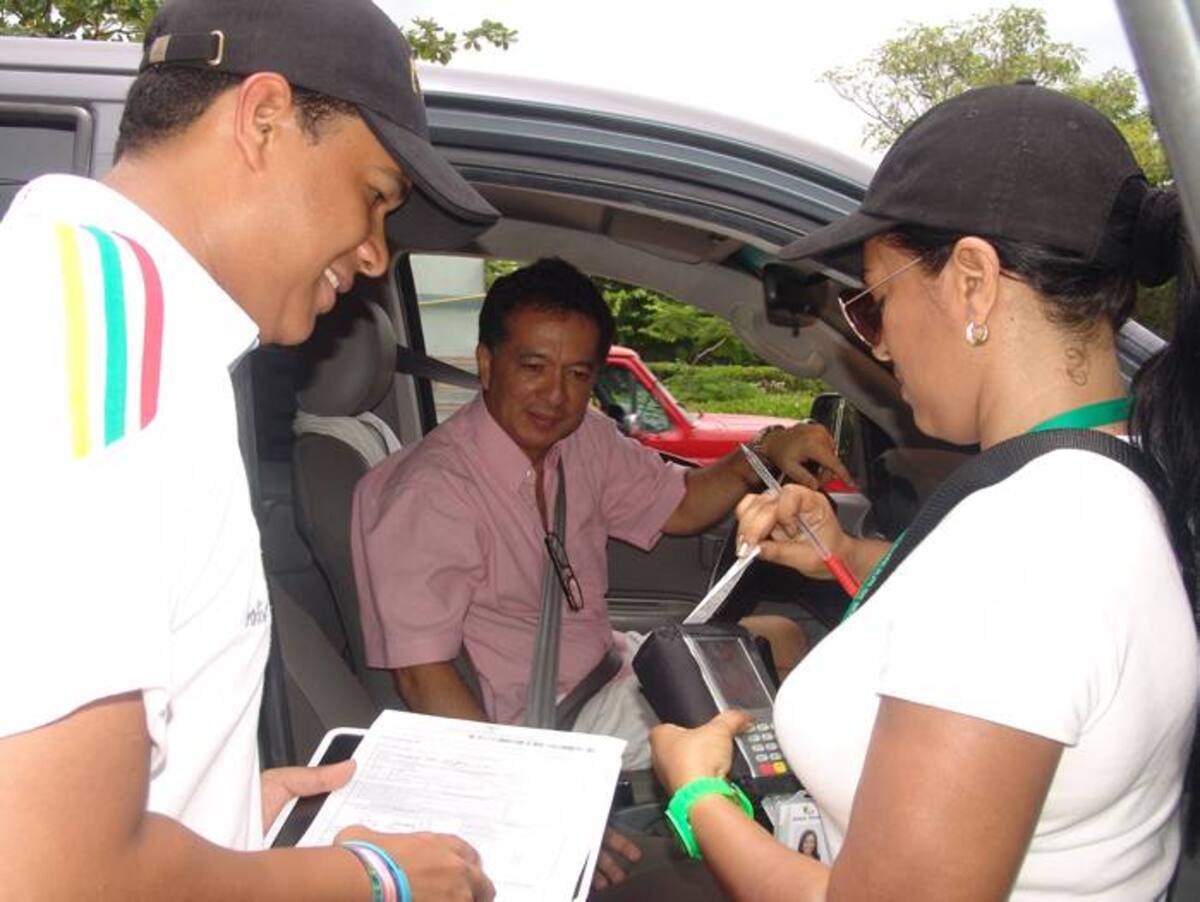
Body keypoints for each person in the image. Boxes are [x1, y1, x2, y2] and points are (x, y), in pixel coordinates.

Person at [644, 84, 1200, 900]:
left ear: (972, 281)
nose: (880, 342)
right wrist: (846, 554)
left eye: (875, 304)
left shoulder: (1027, 552)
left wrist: (699, 796)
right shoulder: (1111, 474)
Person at [0, 0, 503, 898]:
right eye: (376, 195)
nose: (378, 253)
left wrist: (226, 814)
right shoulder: (104, 360)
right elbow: (51, 873)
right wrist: (376, 879)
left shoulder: (112, 327)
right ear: (264, 119)